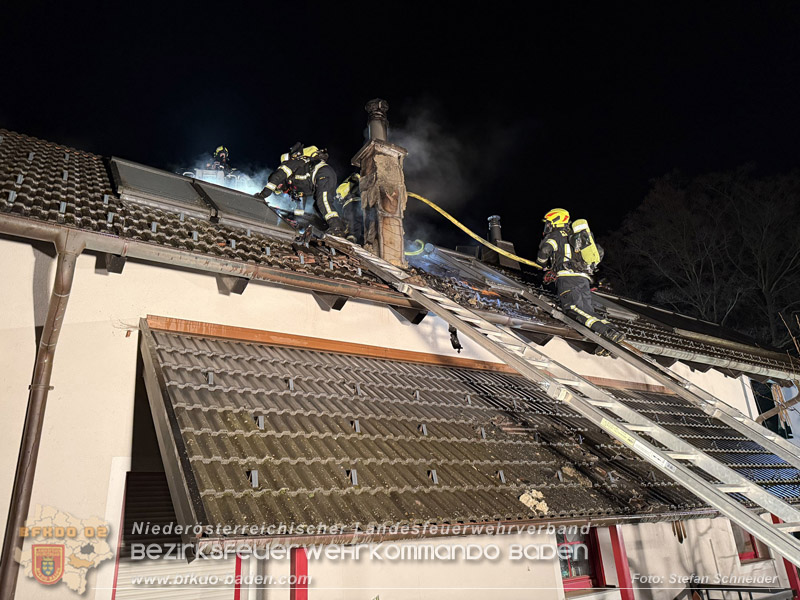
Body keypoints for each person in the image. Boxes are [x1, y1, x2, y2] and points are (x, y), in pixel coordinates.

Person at [536, 208, 625, 344]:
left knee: (572, 309)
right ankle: (613, 331)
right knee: (587, 311)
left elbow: (545, 250)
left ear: (555, 221)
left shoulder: (556, 235)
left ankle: (606, 332)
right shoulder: (575, 236)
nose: (547, 226)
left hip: (567, 279)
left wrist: (541, 264)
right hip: (583, 279)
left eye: (548, 223)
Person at [256, 143, 345, 235]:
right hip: (322, 176)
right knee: (317, 206)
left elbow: (276, 177)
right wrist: (298, 222)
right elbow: (300, 203)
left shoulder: (290, 164)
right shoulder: (295, 183)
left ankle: (336, 227)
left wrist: (262, 195)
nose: (284, 192)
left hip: (322, 173)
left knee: (323, 200)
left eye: (280, 189)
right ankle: (328, 227)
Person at [336, 172, 363, 243]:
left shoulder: (340, 188)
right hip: (357, 202)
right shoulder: (354, 181)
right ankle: (352, 237)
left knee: (351, 221)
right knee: (356, 221)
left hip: (351, 203)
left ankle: (351, 238)